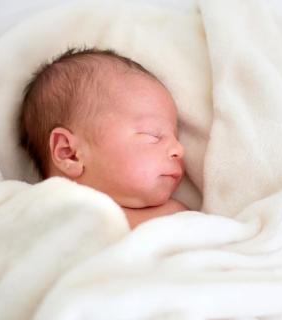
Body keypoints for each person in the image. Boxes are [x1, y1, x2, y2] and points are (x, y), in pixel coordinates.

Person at [18, 47, 188, 229]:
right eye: (152, 135)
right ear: (70, 153)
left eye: (176, 137)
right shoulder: (32, 213)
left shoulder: (178, 219)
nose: (179, 149)